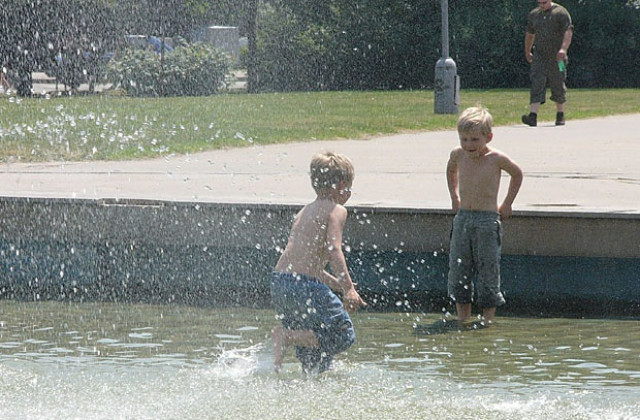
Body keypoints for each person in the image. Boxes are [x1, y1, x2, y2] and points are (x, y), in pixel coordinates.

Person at [270, 151, 367, 373]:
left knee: (314, 354)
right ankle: (284, 336)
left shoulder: (304, 211)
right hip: (302, 285)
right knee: (341, 334)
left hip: (281, 283)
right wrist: (349, 288)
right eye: (349, 188)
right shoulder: (336, 210)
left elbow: (311, 268)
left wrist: (340, 286)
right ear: (341, 185)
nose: (349, 193)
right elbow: (334, 249)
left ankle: (306, 384)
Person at [446, 106, 523, 327]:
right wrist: (454, 196)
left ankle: (487, 320)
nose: (469, 145)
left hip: (487, 220)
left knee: (488, 268)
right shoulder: (458, 154)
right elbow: (451, 169)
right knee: (459, 267)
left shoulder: (496, 159)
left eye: (474, 140)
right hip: (463, 218)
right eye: (464, 139)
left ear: (488, 137)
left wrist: (507, 203)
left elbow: (517, 173)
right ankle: (463, 318)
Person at [521, 0, 573, 127]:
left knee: (558, 82)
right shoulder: (534, 14)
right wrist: (528, 51)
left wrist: (563, 49)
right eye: (539, 3)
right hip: (540, 56)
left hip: (558, 58)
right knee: (536, 81)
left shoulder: (561, 13)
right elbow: (530, 34)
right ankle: (533, 116)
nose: (542, 5)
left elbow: (568, 32)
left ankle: (560, 114)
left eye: (544, 2)